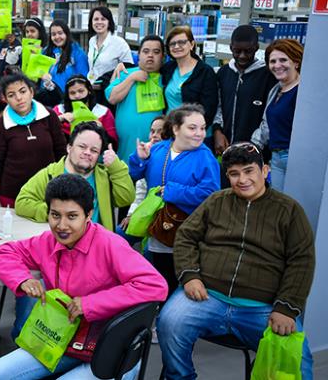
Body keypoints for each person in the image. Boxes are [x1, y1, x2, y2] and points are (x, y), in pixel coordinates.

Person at [0, 174, 168, 380]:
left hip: (111, 348)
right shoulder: (47, 241)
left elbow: (155, 285)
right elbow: (7, 251)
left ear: (89, 214)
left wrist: (89, 304)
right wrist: (22, 279)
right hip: (62, 339)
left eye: (72, 216)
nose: (61, 225)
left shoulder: (110, 244)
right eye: (55, 215)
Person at [158, 142, 315, 380]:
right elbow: (186, 236)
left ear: (265, 170)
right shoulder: (216, 201)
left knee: (299, 360)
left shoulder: (290, 211)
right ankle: (180, 377)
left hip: (262, 307)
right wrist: (189, 275)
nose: (242, 179)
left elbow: (301, 261)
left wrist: (286, 308)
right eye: (234, 174)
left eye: (249, 171)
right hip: (207, 297)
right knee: (169, 321)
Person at [129, 104, 220, 296]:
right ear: (176, 128)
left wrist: (173, 191)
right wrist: (140, 158)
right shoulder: (159, 148)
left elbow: (211, 193)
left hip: (188, 232)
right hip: (158, 228)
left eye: (203, 128)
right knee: (159, 275)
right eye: (192, 128)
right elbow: (135, 174)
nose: (200, 133)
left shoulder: (205, 156)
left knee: (178, 280)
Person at [16, 121, 134, 230]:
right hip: (60, 244)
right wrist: (56, 213)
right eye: (82, 147)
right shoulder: (49, 174)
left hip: (96, 246)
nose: (87, 152)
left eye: (94, 150)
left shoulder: (104, 176)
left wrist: (116, 167)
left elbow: (126, 198)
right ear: (69, 147)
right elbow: (22, 202)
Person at [0, 74, 67, 208]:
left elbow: (62, 153)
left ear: (31, 92)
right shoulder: (2, 123)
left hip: (47, 191)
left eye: (23, 91)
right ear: (5, 99)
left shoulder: (49, 116)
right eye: (11, 95)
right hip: (12, 194)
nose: (19, 98)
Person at [212, 24, 276, 156]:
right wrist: (217, 131)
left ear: (256, 48)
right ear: (231, 48)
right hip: (225, 149)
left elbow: (270, 115)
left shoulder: (268, 76)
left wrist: (254, 146)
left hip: (254, 152)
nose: (242, 56)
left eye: (248, 51)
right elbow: (217, 105)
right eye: (237, 51)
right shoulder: (223, 73)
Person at [252, 39, 303, 191]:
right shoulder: (276, 91)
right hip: (276, 157)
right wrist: (252, 146)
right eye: (272, 61)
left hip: (295, 158)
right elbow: (267, 125)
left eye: (283, 60)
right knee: (279, 205)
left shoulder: (303, 91)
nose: (277, 65)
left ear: (296, 62)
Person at [106, 35, 166, 163]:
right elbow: (112, 98)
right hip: (125, 150)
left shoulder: (167, 79)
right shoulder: (125, 73)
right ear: (138, 55)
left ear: (163, 57)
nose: (150, 55)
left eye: (156, 52)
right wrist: (131, 78)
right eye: (146, 51)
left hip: (156, 150)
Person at [116, 115, 165, 246]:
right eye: (152, 131)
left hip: (165, 216)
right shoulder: (145, 153)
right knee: (119, 234)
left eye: (160, 131)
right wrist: (131, 214)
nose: (155, 135)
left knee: (150, 253)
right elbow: (140, 192)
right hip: (145, 212)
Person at [162, 26, 217, 126]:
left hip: (194, 132)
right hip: (170, 129)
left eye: (182, 42)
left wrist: (193, 130)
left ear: (191, 44)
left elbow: (209, 109)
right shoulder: (167, 68)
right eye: (172, 44)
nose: (176, 46)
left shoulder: (205, 72)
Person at [87, 6, 133, 109]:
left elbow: (129, 68)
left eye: (103, 19)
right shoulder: (92, 41)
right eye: (96, 19)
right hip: (93, 89)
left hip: (109, 91)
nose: (99, 22)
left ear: (109, 22)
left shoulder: (119, 43)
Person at [53, 75, 117, 142]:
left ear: (89, 90)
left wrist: (101, 129)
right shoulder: (59, 110)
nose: (77, 96)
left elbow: (113, 143)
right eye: (72, 93)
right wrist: (59, 119)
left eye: (81, 91)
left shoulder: (103, 112)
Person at [42, 20, 89, 92]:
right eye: (53, 34)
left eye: (60, 33)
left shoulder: (77, 53)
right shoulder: (46, 52)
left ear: (67, 34)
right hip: (49, 98)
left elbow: (83, 79)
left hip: (69, 98)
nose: (57, 37)